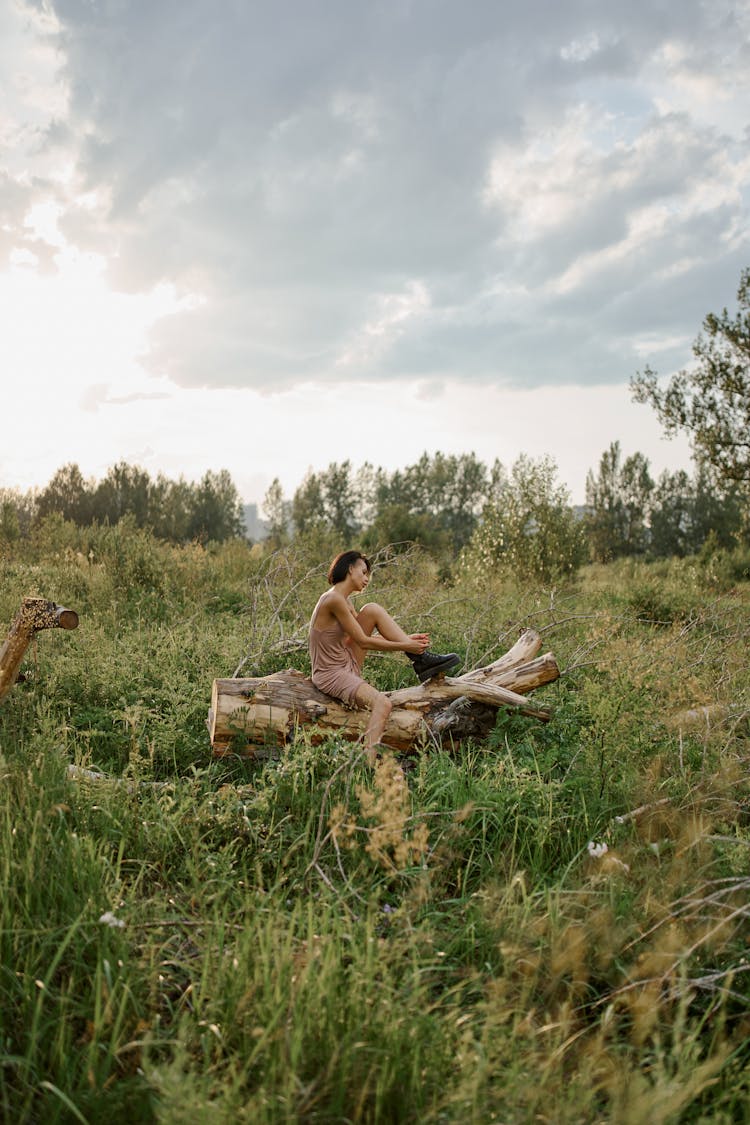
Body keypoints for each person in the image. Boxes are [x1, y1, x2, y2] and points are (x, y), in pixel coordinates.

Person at [309, 550, 459, 763]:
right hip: (330, 673)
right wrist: (404, 644)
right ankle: (368, 763)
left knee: (371, 610)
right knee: (383, 704)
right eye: (363, 572)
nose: (367, 579)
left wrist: (406, 640)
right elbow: (363, 641)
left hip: (346, 663)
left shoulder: (345, 600)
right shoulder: (333, 599)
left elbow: (365, 635)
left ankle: (420, 659)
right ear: (350, 569)